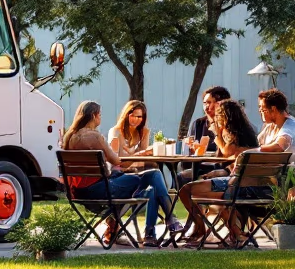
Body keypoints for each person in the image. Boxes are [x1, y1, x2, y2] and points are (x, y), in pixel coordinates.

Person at [61, 100, 180, 247]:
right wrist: (138, 154)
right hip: (101, 190)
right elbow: (116, 160)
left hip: (77, 192)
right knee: (154, 175)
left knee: (150, 186)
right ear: (93, 115)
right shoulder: (95, 137)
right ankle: (170, 220)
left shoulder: (69, 137)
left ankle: (150, 233)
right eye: (100, 115)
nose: (100, 118)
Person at [179, 99, 261, 246]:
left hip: (234, 185)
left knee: (186, 191)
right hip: (248, 185)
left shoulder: (230, 132)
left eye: (218, 115)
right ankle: (234, 231)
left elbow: (226, 152)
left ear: (224, 116)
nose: (215, 119)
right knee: (210, 198)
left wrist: (217, 135)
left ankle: (201, 230)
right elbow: (231, 157)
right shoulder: (247, 132)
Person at [107, 100, 155, 172]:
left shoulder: (144, 132)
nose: (135, 119)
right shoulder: (115, 132)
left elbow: (143, 157)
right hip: (119, 171)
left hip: (137, 169)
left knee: (153, 166)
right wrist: (136, 156)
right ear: (126, 115)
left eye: (139, 117)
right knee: (152, 169)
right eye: (132, 116)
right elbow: (115, 161)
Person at [254, 88, 295, 154]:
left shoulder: (290, 125)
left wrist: (254, 150)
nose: (261, 113)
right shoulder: (270, 126)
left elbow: (279, 147)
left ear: (274, 109)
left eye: (263, 110)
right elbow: (256, 142)